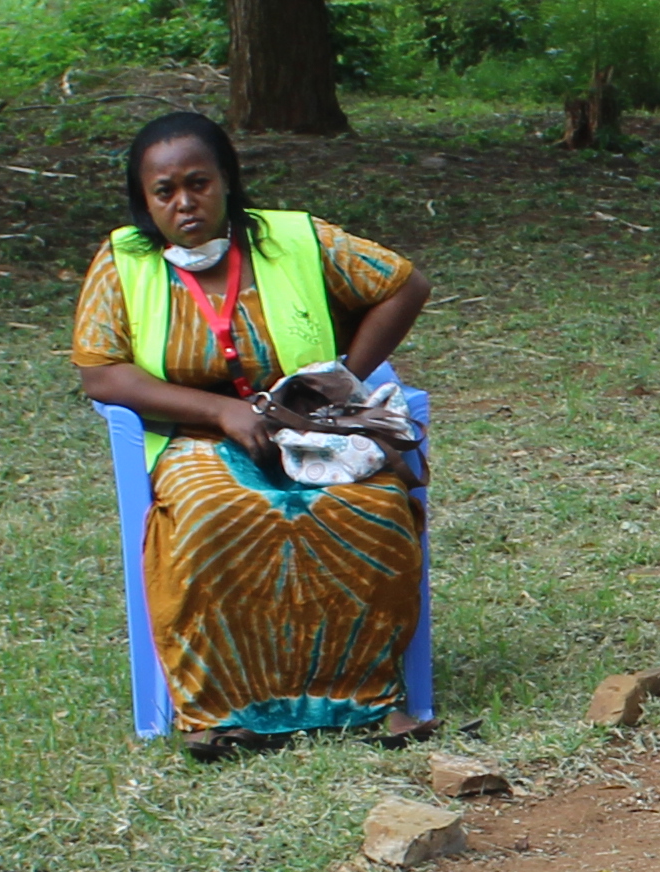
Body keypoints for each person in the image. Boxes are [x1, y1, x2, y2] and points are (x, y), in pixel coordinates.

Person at [72, 110, 433, 748]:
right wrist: (219, 411)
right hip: (194, 436)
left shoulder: (293, 237)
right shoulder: (122, 261)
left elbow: (405, 285)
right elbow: (101, 372)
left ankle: (368, 701)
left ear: (228, 182)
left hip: (311, 428)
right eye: (165, 191)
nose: (185, 203)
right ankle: (223, 712)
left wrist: (338, 380)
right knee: (216, 513)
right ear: (145, 202)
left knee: (370, 507)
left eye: (199, 183)